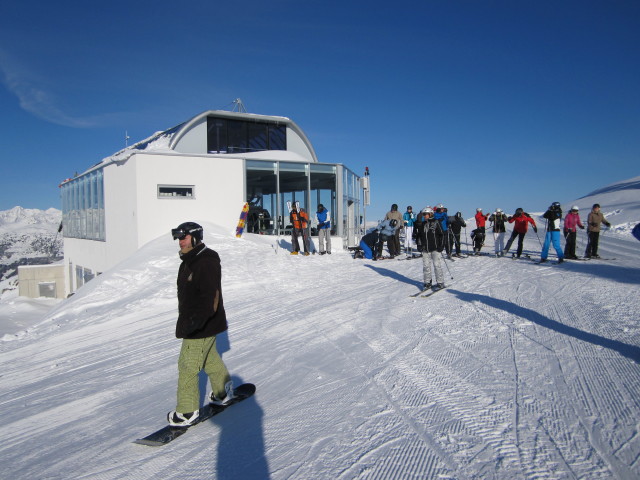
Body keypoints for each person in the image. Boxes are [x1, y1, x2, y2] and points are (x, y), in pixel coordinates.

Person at [168, 222, 234, 427]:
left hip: (201, 323)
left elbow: (209, 298)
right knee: (209, 359)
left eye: (184, 237)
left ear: (195, 237)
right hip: (200, 321)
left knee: (188, 364)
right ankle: (223, 392)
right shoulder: (190, 259)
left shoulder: (205, 261)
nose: (181, 242)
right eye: (179, 238)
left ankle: (187, 411)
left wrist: (194, 323)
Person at [414, 207, 446, 290]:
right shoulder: (422, 224)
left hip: (435, 248)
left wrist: (441, 245)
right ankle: (427, 282)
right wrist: (419, 245)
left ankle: (440, 282)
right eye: (423, 214)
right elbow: (419, 236)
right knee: (426, 266)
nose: (424, 216)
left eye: (426, 214)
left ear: (430, 214)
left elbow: (442, 234)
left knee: (436, 265)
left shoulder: (436, 222)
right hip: (425, 249)